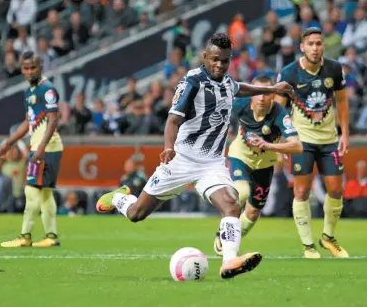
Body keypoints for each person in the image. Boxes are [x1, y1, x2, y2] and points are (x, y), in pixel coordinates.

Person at [96, 33, 294, 279]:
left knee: (231, 204)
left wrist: (272, 88)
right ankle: (119, 198)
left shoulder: (227, 82)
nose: (219, 65)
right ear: (204, 57)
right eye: (214, 60)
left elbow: (239, 88)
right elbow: (172, 119)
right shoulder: (192, 82)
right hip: (181, 160)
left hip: (211, 163)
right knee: (137, 213)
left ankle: (229, 261)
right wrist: (168, 147)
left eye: (224, 60)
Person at [275, 27, 350, 259]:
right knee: (301, 190)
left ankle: (328, 237)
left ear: (323, 46)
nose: (315, 48)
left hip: (329, 140)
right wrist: (279, 142)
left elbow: (342, 101)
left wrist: (345, 133)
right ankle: (308, 245)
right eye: (311, 44)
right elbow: (278, 107)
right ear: (302, 47)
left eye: (319, 43)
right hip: (302, 141)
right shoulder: (289, 73)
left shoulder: (334, 69)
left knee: (336, 190)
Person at [213, 74, 303, 256]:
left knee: (253, 214)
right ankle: (226, 239)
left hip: (264, 164)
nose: (261, 98)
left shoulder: (279, 114)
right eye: (258, 93)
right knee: (242, 191)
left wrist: (271, 146)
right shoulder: (240, 105)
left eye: (266, 93)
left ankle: (230, 238)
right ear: (252, 93)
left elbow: (297, 146)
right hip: (241, 156)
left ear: (273, 94)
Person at [0, 51, 64, 248]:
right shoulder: (29, 92)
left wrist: (41, 147)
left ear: (40, 67)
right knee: (45, 194)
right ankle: (51, 237)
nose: (29, 71)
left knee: (31, 190)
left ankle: (25, 236)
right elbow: (28, 122)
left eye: (32, 67)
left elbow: (53, 119)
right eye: (25, 68)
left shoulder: (47, 89)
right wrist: (9, 142)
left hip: (47, 147)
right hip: (44, 146)